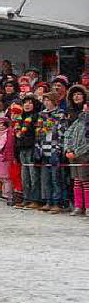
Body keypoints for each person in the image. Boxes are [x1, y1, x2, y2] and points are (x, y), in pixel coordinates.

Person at [35, 91, 66, 213]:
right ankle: (48, 200)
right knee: (45, 177)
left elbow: (62, 133)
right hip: (43, 149)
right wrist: (37, 148)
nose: (46, 102)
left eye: (48, 100)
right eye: (44, 100)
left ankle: (57, 202)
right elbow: (38, 132)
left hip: (54, 148)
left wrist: (59, 148)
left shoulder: (60, 114)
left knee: (56, 177)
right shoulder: (41, 115)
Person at [64, 84, 89, 215]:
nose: (76, 97)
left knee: (86, 181)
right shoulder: (76, 119)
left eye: (79, 94)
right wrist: (68, 149)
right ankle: (78, 206)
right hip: (73, 155)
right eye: (74, 95)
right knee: (77, 181)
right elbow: (68, 133)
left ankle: (88, 206)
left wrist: (77, 152)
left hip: (84, 155)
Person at [15, 93, 42, 208]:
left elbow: (37, 134)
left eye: (30, 102)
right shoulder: (20, 118)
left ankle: (35, 199)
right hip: (22, 148)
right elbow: (17, 133)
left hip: (32, 148)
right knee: (24, 176)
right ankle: (26, 198)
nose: (27, 105)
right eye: (25, 102)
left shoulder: (36, 117)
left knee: (33, 175)